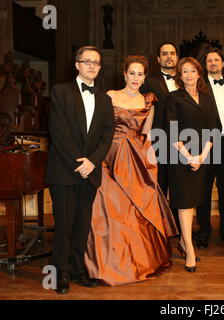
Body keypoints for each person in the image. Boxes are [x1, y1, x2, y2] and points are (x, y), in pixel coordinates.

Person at [84, 56, 179, 286]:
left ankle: (138, 262)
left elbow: (146, 135)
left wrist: (150, 164)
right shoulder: (109, 96)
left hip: (134, 158)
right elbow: (98, 128)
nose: (136, 78)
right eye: (132, 73)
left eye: (140, 74)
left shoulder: (148, 101)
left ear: (144, 77)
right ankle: (104, 265)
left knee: (136, 209)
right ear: (124, 74)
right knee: (106, 208)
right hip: (108, 155)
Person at [45, 46, 115, 294]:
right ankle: (60, 272)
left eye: (96, 62)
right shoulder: (59, 92)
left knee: (82, 225)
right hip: (65, 170)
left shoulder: (105, 100)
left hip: (90, 171)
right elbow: (59, 133)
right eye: (87, 61)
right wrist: (79, 163)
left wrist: (93, 162)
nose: (92, 66)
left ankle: (77, 269)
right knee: (64, 225)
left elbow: (107, 138)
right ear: (77, 64)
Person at [165, 57, 216, 272]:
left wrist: (202, 156)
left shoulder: (206, 98)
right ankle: (190, 251)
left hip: (201, 157)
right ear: (180, 75)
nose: (188, 75)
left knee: (192, 201)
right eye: (184, 71)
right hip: (180, 157)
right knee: (185, 203)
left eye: (192, 71)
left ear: (198, 73)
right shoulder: (173, 98)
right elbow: (171, 130)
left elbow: (213, 128)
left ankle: (184, 242)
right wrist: (188, 156)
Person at [195, 48, 224, 250]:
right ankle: (204, 231)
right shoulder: (199, 88)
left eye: (217, 60)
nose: (213, 63)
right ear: (205, 65)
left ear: (223, 63)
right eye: (209, 61)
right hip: (206, 146)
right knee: (203, 192)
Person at [141, 42, 180, 229]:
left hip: (185, 142)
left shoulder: (186, 79)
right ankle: (158, 228)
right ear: (158, 59)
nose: (169, 57)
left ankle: (178, 228)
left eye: (172, 53)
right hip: (159, 142)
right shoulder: (150, 82)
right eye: (165, 54)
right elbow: (142, 109)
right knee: (160, 186)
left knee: (181, 188)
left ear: (177, 57)